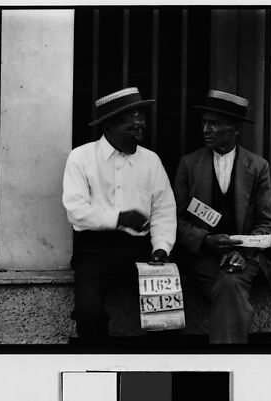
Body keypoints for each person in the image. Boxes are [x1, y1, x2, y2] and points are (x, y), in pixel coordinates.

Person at [62, 87, 177, 344]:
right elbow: (76, 211)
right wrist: (119, 218)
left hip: (141, 248)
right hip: (95, 251)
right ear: (109, 128)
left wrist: (161, 247)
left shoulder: (151, 161)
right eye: (132, 128)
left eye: (141, 127)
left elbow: (163, 210)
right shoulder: (81, 158)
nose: (139, 134)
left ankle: (158, 367)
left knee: (167, 314)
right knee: (88, 312)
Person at [173, 89, 271, 344]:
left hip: (244, 256)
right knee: (230, 287)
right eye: (204, 122)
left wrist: (242, 251)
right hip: (202, 257)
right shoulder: (188, 165)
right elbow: (175, 218)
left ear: (234, 128)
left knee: (230, 282)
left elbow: (268, 224)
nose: (206, 129)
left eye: (214, 123)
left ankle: (223, 360)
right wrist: (205, 240)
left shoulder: (257, 166)